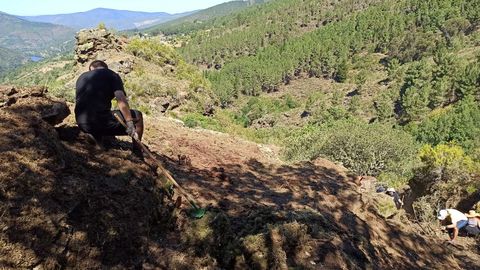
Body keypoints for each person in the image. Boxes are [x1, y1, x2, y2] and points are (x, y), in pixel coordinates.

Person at [75, 60, 144, 157]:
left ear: (91, 69)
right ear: (105, 68)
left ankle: (96, 139)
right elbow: (120, 98)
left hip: (82, 123)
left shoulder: (81, 77)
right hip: (100, 122)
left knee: (99, 113)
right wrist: (129, 122)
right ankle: (137, 152)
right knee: (138, 116)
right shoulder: (111, 75)